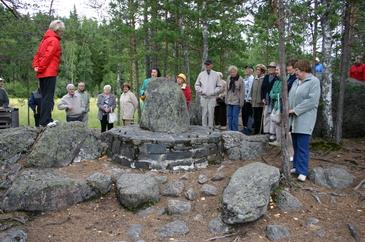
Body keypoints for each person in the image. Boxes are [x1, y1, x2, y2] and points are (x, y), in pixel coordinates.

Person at [289, 59, 321, 182]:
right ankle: (296, 167)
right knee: (296, 145)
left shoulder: (314, 81)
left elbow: (312, 101)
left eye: (297, 70)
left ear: (304, 70)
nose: (295, 73)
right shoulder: (296, 82)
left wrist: (295, 110)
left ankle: (303, 171)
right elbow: (291, 97)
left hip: (305, 119)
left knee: (302, 146)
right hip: (294, 120)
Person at [32, 20, 65, 127]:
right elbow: (48, 57)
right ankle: (45, 121)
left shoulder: (44, 40)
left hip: (42, 73)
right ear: (57, 30)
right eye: (62, 31)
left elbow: (37, 55)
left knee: (45, 96)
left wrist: (36, 67)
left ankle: (46, 119)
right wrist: (40, 67)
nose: (62, 33)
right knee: (48, 97)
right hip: (49, 72)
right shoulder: (54, 41)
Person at [195, 60, 223, 128]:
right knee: (204, 113)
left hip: (212, 97)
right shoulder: (201, 74)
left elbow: (219, 86)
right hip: (203, 97)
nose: (207, 66)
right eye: (206, 65)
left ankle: (210, 128)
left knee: (211, 113)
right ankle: (204, 128)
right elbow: (196, 85)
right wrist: (201, 91)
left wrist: (213, 91)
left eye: (208, 64)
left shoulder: (216, 74)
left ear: (211, 65)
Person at [261, 62, 279, 140]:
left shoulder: (277, 78)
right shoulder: (266, 77)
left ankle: (272, 132)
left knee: (273, 116)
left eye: (272, 67)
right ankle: (266, 131)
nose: (270, 69)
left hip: (274, 100)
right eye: (269, 67)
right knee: (266, 115)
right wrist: (262, 98)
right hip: (266, 99)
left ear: (275, 69)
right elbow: (262, 88)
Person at [225, 65, 244, 131]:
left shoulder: (240, 79)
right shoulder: (228, 78)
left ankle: (235, 131)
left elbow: (242, 91)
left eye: (233, 72)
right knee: (229, 116)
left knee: (234, 117)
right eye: (231, 72)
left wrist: (241, 102)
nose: (232, 73)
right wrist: (226, 99)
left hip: (237, 101)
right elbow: (226, 90)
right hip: (229, 100)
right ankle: (229, 130)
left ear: (236, 72)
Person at [268, 67, 282, 146]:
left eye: (277, 70)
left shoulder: (284, 81)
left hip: (281, 105)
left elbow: (280, 94)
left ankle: (279, 140)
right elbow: (271, 92)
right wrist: (274, 95)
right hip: (275, 104)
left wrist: (274, 95)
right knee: (274, 120)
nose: (276, 72)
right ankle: (275, 137)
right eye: (276, 70)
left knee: (279, 122)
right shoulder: (276, 81)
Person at [251, 64, 266, 135]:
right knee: (255, 117)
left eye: (258, 69)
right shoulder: (255, 78)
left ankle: (261, 131)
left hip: (260, 102)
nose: (257, 71)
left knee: (260, 117)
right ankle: (256, 130)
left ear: (262, 71)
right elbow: (252, 89)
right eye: (256, 69)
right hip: (254, 101)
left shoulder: (264, 78)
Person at [242, 66, 254, 134]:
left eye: (248, 69)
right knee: (244, 114)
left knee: (248, 114)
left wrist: (247, 99)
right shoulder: (245, 78)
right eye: (246, 69)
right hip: (244, 99)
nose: (247, 71)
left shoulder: (251, 78)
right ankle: (245, 127)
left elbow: (250, 89)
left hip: (248, 100)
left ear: (252, 71)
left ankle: (249, 129)